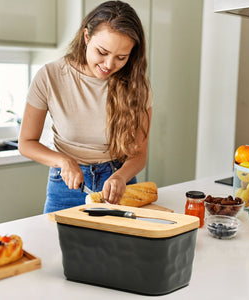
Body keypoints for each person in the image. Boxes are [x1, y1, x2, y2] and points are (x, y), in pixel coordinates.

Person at [18, 0, 152, 213]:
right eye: (102, 52)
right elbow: (26, 143)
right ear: (86, 37)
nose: (109, 65)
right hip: (66, 185)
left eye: (121, 57)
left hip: (117, 184)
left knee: (120, 247)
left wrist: (120, 177)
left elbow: (139, 153)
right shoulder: (50, 76)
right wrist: (63, 160)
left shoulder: (136, 84)